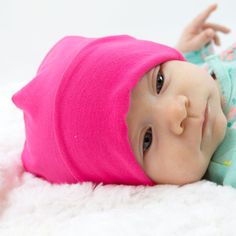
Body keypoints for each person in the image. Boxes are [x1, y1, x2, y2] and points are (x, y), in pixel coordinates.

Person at [11, 4, 233, 187]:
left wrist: (186, 53)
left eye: (159, 82)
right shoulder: (228, 161)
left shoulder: (201, 74)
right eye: (147, 139)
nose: (177, 112)